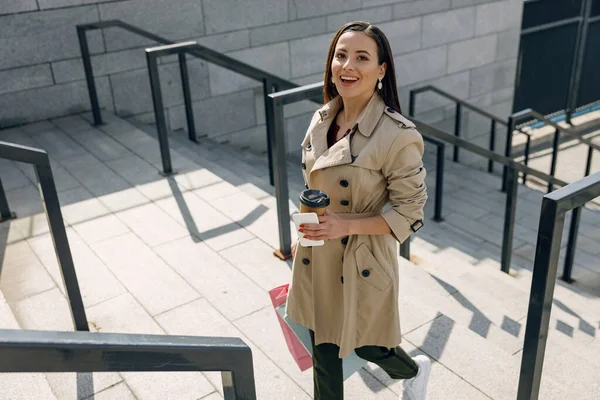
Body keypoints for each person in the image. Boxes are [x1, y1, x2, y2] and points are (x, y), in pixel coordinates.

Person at [285, 21, 431, 400]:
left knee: (368, 344)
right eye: (341, 55)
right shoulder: (322, 118)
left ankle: (414, 370)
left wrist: (342, 225)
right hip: (317, 253)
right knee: (324, 353)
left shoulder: (398, 135)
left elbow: (410, 213)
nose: (347, 66)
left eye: (362, 57)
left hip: (360, 258)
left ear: (381, 70)